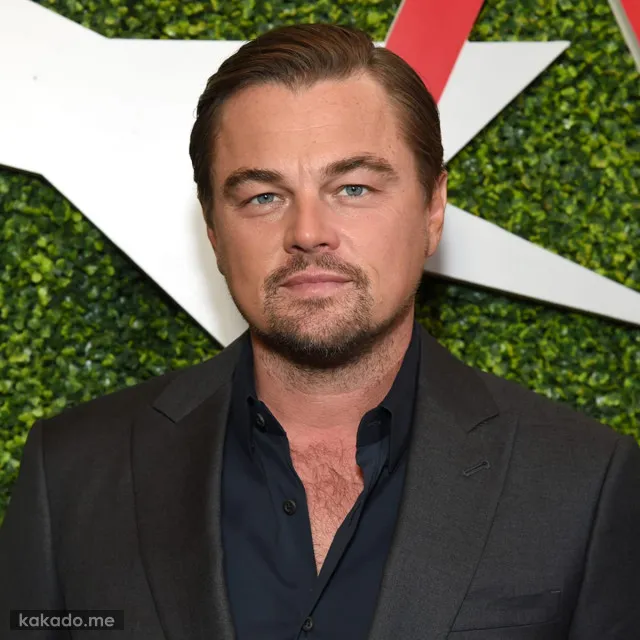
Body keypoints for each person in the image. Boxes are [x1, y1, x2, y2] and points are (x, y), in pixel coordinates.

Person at [1, 23, 639, 640]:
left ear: (432, 210)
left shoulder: (582, 480)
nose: (307, 232)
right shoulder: (74, 474)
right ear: (214, 232)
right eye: (263, 196)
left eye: (353, 188)